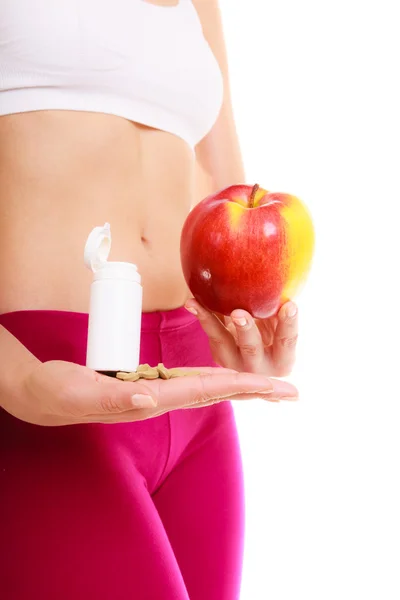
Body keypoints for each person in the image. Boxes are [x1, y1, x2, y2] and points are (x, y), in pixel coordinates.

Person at [0, 1, 299, 598]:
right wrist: (17, 381)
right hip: (45, 376)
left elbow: (230, 188)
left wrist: (253, 318)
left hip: (192, 383)